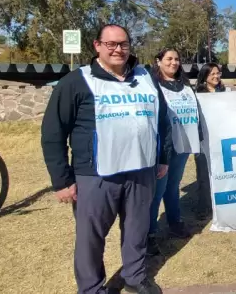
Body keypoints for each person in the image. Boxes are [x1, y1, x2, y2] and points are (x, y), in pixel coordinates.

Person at [41, 24, 172, 294]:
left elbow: (162, 121)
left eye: (123, 44)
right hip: (96, 175)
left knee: (137, 231)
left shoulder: (146, 77)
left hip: (141, 171)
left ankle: (135, 278)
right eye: (111, 44)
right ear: (97, 45)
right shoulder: (77, 81)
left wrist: (162, 158)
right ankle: (91, 288)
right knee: (91, 239)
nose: (118, 49)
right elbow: (53, 132)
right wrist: (61, 181)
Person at [149, 48, 203, 255]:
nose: (174, 63)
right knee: (157, 191)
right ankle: (150, 233)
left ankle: (174, 221)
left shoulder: (185, 84)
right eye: (169, 59)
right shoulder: (152, 86)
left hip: (183, 145)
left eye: (177, 59)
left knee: (173, 186)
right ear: (158, 61)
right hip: (163, 147)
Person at [193, 63, 229, 220]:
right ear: (205, 76)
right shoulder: (196, 95)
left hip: (221, 139)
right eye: (212, 74)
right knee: (203, 175)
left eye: (218, 73)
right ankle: (204, 206)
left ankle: (222, 203)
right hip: (203, 140)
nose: (216, 76)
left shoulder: (226, 92)